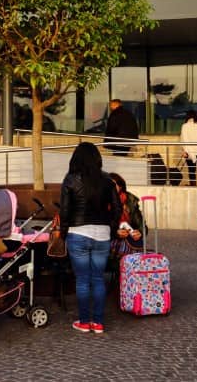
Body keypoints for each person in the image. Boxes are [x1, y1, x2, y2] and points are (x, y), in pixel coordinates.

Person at [59, 142, 121, 334]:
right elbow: (118, 208)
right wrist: (110, 227)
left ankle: (85, 321)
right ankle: (99, 322)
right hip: (102, 234)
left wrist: (63, 233)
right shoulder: (107, 180)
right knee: (98, 279)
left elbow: (65, 211)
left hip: (77, 234)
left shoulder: (70, 180)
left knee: (83, 280)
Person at [108, 172, 145, 270]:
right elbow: (100, 226)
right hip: (109, 239)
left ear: (120, 187)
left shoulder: (130, 201)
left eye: (112, 185)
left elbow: (141, 225)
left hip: (130, 240)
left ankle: (130, 278)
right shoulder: (101, 201)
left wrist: (140, 232)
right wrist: (115, 233)